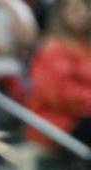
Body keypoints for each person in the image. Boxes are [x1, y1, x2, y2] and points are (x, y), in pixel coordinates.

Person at [26, 0, 91, 149]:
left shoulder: (86, 47)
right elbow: (56, 94)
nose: (82, 14)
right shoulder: (51, 49)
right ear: (62, 12)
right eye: (74, 9)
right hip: (56, 121)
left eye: (87, 9)